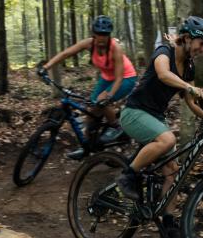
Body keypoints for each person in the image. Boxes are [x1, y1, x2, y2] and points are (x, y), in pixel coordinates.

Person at [117, 16, 203, 238]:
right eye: (201, 43)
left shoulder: (190, 67)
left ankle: (167, 221)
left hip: (154, 116)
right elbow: (164, 74)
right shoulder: (164, 51)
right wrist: (189, 88)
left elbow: (190, 100)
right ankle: (128, 176)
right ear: (186, 38)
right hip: (134, 112)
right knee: (168, 139)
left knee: (172, 171)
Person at [39, 15, 138, 159]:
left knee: (101, 101)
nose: (102, 38)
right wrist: (46, 67)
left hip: (126, 78)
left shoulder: (115, 48)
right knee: (91, 111)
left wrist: (108, 96)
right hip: (106, 78)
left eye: (105, 34)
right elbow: (66, 53)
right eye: (99, 34)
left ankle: (116, 127)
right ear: (93, 34)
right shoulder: (89, 44)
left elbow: (119, 78)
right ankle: (86, 147)